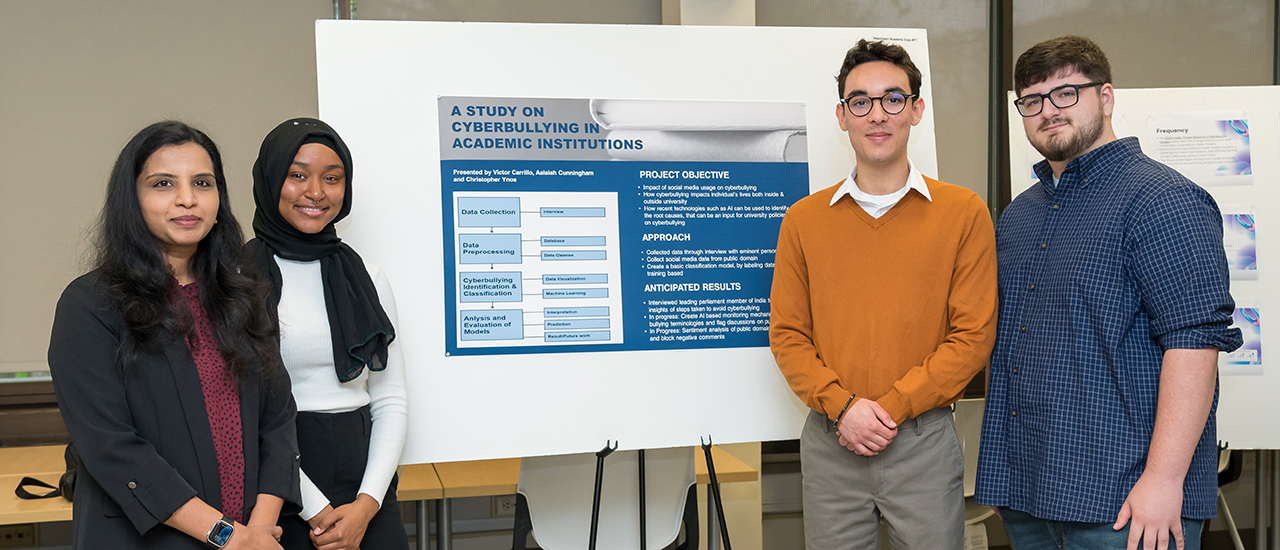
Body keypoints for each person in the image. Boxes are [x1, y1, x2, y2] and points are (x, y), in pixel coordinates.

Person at [974, 35, 1242, 550]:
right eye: (1032, 101)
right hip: (1027, 492)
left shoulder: (1165, 200)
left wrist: (1164, 481)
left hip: (1127, 503)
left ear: (1107, 98)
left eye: (1066, 93)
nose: (1048, 111)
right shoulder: (1019, 216)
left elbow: (1194, 347)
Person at [768, 40, 997, 549]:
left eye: (893, 98)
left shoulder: (962, 213)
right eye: (861, 101)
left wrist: (890, 407)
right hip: (832, 442)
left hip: (923, 443)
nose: (878, 114)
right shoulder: (804, 221)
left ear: (916, 109)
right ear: (842, 115)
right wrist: (844, 408)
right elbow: (787, 336)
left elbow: (973, 337)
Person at [48, 121, 300, 549]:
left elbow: (277, 420)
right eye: (163, 183)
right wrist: (226, 537)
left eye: (202, 182)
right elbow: (112, 448)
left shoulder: (246, 293)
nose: (187, 198)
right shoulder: (90, 304)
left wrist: (258, 530)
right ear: (132, 199)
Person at [242, 118, 410, 550]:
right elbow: (243, 414)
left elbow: (390, 397)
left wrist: (368, 503)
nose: (315, 192)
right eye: (297, 175)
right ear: (270, 180)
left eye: (331, 179)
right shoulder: (234, 279)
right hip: (275, 480)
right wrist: (316, 509)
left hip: (365, 479)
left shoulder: (367, 276)